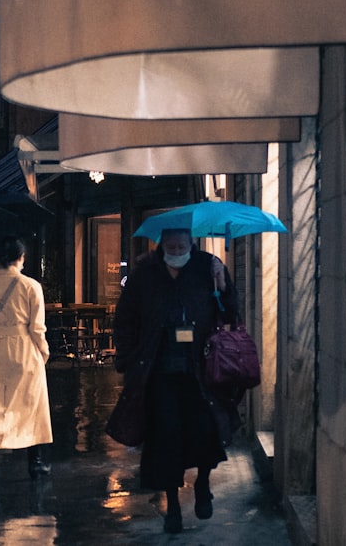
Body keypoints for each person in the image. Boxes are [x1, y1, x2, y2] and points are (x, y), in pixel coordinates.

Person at [111, 227, 240, 534]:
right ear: (162, 244)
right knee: (165, 440)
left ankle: (203, 484)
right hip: (159, 372)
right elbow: (125, 318)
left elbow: (231, 312)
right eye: (171, 243)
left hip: (201, 371)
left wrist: (222, 284)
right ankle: (172, 507)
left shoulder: (207, 267)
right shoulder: (146, 274)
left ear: (190, 242)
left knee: (205, 432)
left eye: (182, 243)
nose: (177, 248)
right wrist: (128, 358)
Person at [0, 236, 52, 490]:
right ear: (21, 258)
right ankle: (35, 464)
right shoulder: (31, 286)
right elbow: (37, 328)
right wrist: (44, 352)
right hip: (25, 349)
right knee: (32, 407)